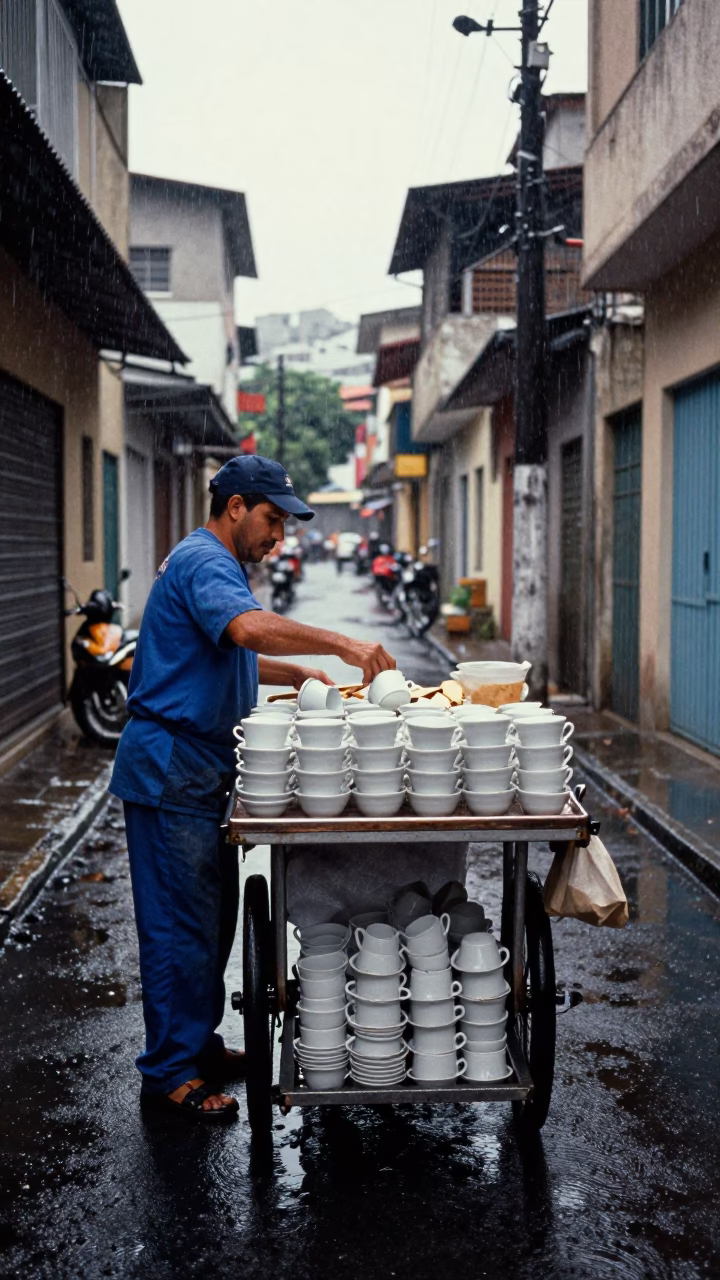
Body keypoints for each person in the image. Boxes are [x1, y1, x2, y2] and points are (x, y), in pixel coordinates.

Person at [110, 455, 395, 1122]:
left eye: (285, 525)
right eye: (272, 520)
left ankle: (196, 1045)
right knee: (180, 925)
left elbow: (229, 649)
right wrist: (338, 645)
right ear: (235, 506)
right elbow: (241, 628)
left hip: (199, 767)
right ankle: (170, 1074)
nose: (279, 536)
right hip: (171, 765)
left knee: (209, 922)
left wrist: (293, 673)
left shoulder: (215, 563)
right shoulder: (206, 560)